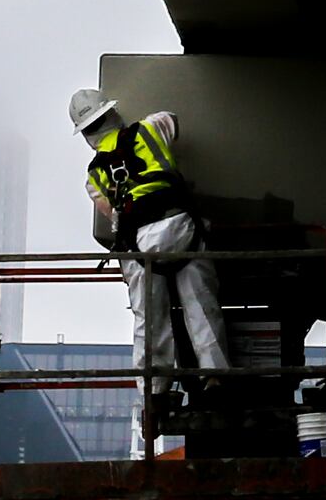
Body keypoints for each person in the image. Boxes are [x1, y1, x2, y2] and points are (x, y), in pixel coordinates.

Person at [71, 93, 230, 401]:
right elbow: (173, 120)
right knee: (201, 306)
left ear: (86, 134)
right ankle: (215, 378)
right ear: (112, 114)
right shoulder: (151, 128)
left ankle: (154, 390)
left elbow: (114, 216)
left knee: (150, 319)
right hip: (181, 231)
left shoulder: (93, 177)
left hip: (139, 246)